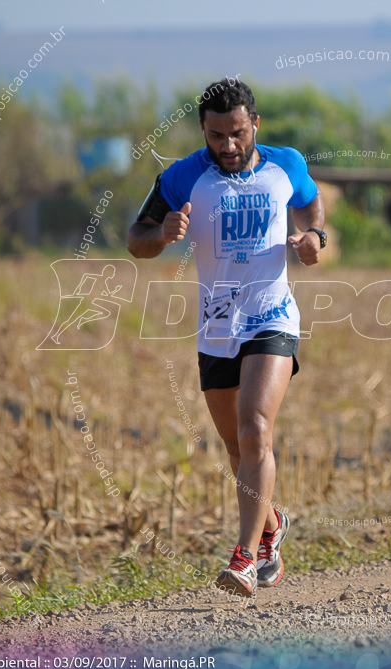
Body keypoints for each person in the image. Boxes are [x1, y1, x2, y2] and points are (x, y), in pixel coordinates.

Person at [128, 79, 327, 596]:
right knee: (237, 447)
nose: (228, 146)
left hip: (273, 316)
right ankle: (271, 525)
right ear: (203, 131)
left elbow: (311, 202)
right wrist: (162, 234)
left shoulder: (286, 164)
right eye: (217, 135)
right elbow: (137, 238)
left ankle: (245, 556)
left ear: (254, 125)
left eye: (237, 133)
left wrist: (314, 238)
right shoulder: (181, 177)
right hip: (217, 328)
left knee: (255, 428)